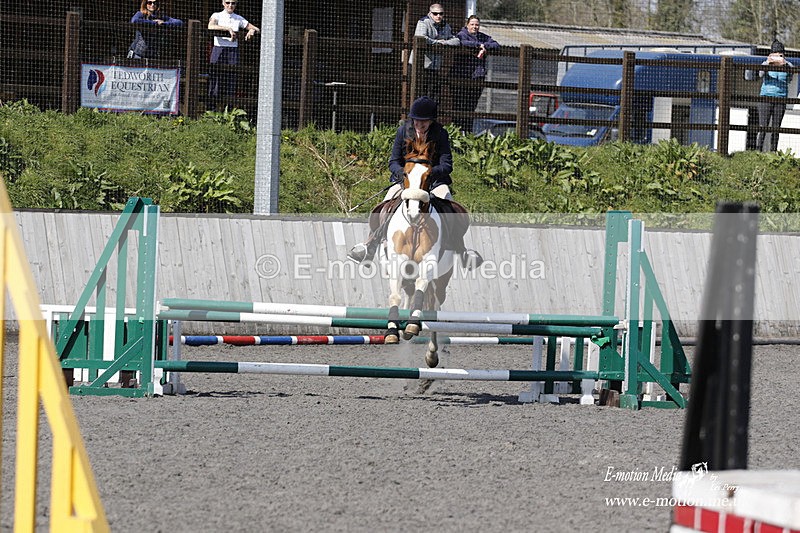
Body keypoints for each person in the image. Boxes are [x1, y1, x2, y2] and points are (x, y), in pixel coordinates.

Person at [348, 96, 482, 267]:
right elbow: (394, 161)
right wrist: (405, 175)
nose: (419, 125)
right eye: (417, 121)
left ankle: (461, 250)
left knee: (448, 204)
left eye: (424, 122)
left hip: (433, 182)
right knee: (385, 204)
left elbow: (446, 164)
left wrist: (429, 174)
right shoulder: (403, 131)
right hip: (407, 182)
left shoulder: (440, 133)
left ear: (431, 121)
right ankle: (370, 245)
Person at [207, 0, 260, 110]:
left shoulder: (238, 18)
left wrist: (252, 31)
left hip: (233, 52)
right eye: (227, 2)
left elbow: (256, 28)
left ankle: (229, 112)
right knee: (215, 80)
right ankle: (211, 111)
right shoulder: (217, 15)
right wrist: (227, 29)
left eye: (233, 3)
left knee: (231, 81)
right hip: (218, 49)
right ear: (223, 3)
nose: (230, 5)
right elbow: (211, 26)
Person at [451, 16, 500, 132]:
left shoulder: (483, 37)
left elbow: (496, 44)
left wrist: (485, 46)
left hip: (477, 78)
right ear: (467, 25)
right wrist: (478, 45)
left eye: (477, 25)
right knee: (459, 107)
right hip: (461, 78)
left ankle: (468, 133)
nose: (475, 27)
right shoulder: (461, 34)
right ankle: (456, 132)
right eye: (472, 24)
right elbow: (461, 42)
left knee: (471, 107)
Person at [411, 3, 460, 102]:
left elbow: (456, 41)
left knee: (434, 97)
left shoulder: (445, 25)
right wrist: (437, 42)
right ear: (430, 13)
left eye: (441, 13)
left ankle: (430, 117)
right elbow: (421, 38)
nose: (438, 16)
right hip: (420, 66)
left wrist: (445, 43)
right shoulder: (423, 22)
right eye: (435, 13)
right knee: (420, 96)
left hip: (434, 67)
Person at [756, 39, 793, 152]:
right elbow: (760, 74)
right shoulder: (766, 62)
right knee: (763, 126)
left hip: (781, 98)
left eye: (780, 54)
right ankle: (758, 150)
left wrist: (784, 64)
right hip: (766, 97)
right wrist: (769, 62)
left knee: (776, 128)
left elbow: (790, 78)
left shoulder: (788, 65)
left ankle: (773, 151)